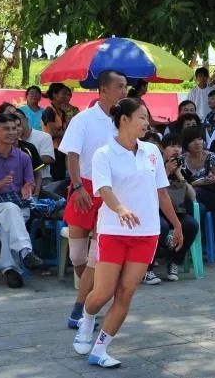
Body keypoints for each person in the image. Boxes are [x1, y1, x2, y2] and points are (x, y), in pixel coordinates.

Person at [72, 98, 184, 368]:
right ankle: (85, 320)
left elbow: (161, 192)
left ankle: (100, 349)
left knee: (125, 293)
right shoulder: (104, 154)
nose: (147, 123)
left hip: (147, 233)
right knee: (103, 292)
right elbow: (105, 189)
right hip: (112, 231)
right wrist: (120, 209)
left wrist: (177, 224)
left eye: (147, 118)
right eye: (142, 117)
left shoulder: (152, 152)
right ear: (124, 120)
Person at [60, 70, 128, 329]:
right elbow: (72, 155)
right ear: (103, 89)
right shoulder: (84, 119)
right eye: (119, 86)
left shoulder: (124, 120)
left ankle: (79, 309)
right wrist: (77, 187)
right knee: (77, 255)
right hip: (83, 188)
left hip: (109, 191)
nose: (124, 91)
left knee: (95, 256)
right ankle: (91, 296)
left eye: (125, 87)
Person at [0, 114, 45, 288]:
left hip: (17, 205)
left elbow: (29, 183)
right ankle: (25, 252)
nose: (12, 132)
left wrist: (27, 188)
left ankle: (11, 270)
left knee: (9, 219)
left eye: (14, 128)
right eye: (6, 129)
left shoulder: (23, 157)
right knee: (9, 211)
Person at [143, 133, 200, 284]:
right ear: (162, 148)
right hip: (156, 211)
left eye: (179, 146)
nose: (176, 149)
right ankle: (147, 269)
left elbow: (193, 196)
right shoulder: (153, 165)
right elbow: (149, 190)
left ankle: (175, 262)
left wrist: (179, 175)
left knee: (191, 225)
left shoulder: (182, 167)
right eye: (172, 146)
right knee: (160, 227)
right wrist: (166, 172)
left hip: (178, 210)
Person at [179, 126, 215, 227]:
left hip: (210, 194)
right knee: (199, 208)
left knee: (195, 195)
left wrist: (213, 178)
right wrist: (195, 183)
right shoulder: (181, 159)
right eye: (193, 140)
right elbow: (179, 183)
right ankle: (199, 238)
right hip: (189, 197)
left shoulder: (211, 157)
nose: (197, 143)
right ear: (186, 143)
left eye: (200, 139)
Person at [42, 82, 74, 182]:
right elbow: (52, 133)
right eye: (63, 93)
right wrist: (69, 134)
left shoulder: (61, 111)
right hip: (52, 149)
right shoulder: (49, 111)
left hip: (61, 148)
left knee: (62, 175)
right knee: (56, 177)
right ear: (55, 95)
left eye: (68, 94)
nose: (66, 97)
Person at [19, 107, 55, 187]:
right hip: (17, 181)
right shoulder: (10, 139)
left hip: (43, 179)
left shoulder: (43, 136)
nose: (16, 124)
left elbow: (47, 158)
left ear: (26, 120)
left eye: (19, 120)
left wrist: (22, 162)